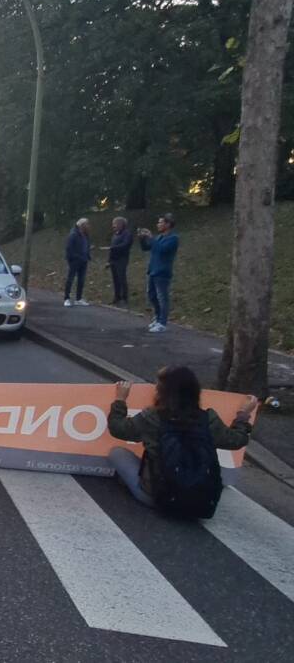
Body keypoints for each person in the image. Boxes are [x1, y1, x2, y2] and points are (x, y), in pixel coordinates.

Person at [107, 366, 255, 511]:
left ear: (162, 392)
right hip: (202, 502)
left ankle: (139, 485)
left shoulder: (153, 417)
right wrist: (243, 415)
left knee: (117, 453)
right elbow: (237, 441)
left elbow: (118, 429)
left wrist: (120, 399)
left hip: (158, 498)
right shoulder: (208, 418)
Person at [139, 213, 179, 333]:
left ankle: (162, 322)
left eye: (160, 222)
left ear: (168, 224)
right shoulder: (159, 237)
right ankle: (157, 317)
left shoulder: (173, 238)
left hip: (163, 271)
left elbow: (161, 250)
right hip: (153, 270)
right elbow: (146, 248)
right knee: (152, 295)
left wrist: (150, 237)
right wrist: (142, 238)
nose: (158, 224)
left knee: (162, 298)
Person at [63, 218, 91, 307]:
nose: (88, 226)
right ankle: (66, 298)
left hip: (84, 260)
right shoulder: (73, 234)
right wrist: (74, 257)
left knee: (81, 280)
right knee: (70, 279)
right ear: (82, 225)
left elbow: (86, 245)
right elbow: (69, 248)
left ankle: (78, 298)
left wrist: (88, 255)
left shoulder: (85, 235)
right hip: (75, 260)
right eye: (87, 224)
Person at [105, 217, 132, 306]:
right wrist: (108, 261)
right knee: (115, 279)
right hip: (114, 260)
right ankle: (117, 297)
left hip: (122, 259)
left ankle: (124, 298)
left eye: (115, 224)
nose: (113, 226)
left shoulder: (127, 234)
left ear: (121, 224)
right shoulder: (115, 235)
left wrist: (113, 248)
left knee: (121, 278)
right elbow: (111, 249)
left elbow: (125, 245)